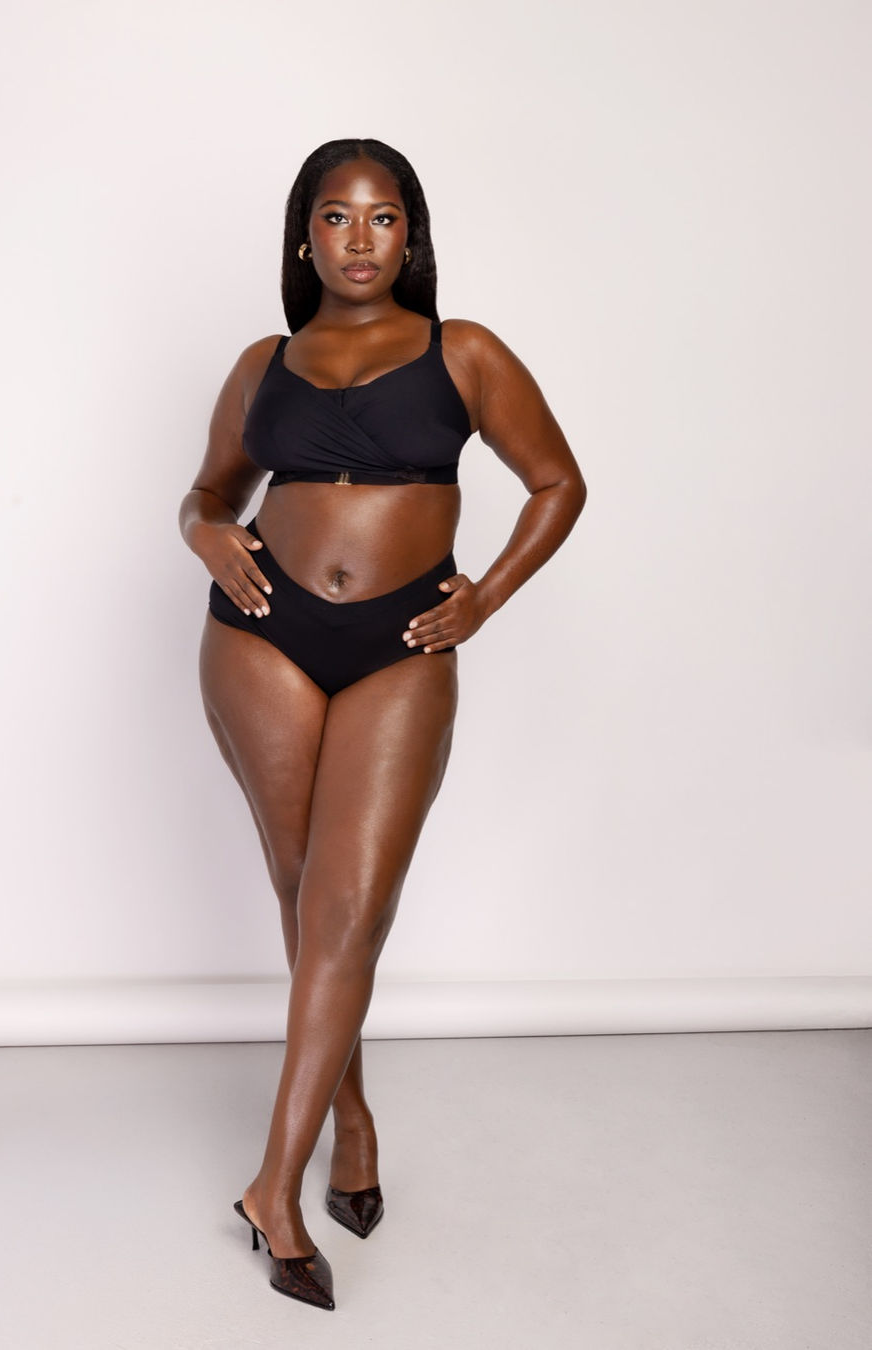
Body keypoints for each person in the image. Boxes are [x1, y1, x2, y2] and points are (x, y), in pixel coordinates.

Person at [178, 137, 587, 1311]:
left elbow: (558, 482)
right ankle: (348, 1119)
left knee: (350, 907)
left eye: (383, 216)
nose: (360, 238)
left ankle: (273, 1186)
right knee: (302, 888)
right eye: (336, 216)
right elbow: (208, 493)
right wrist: (206, 533)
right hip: (261, 637)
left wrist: (484, 597)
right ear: (304, 236)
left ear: (412, 236)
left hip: (403, 642)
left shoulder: (465, 351)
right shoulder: (261, 364)